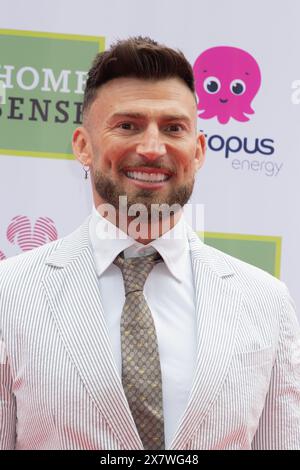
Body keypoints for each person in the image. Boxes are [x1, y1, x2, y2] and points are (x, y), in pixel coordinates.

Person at [0, 37, 299, 451]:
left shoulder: (265, 300)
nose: (153, 148)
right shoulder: (9, 293)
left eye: (173, 128)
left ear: (197, 152)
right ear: (83, 147)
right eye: (128, 125)